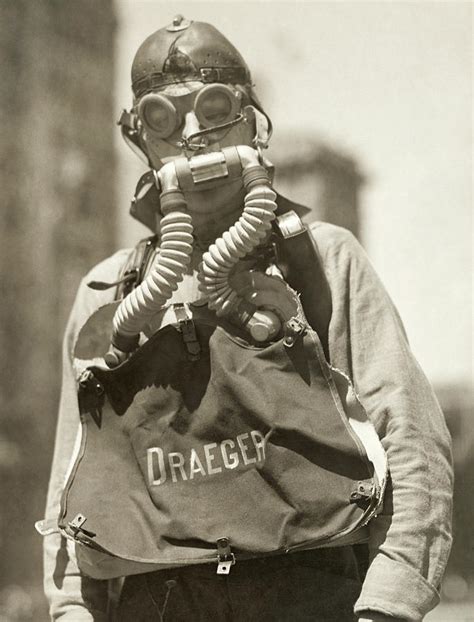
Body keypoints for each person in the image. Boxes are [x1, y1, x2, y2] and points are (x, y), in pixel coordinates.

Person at [40, 16, 453, 622]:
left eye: (214, 109)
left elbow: (413, 441)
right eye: (163, 117)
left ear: (251, 122)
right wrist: (72, 608)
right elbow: (76, 483)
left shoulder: (321, 259)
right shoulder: (108, 291)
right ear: (140, 138)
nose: (191, 135)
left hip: (312, 594)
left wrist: (388, 605)